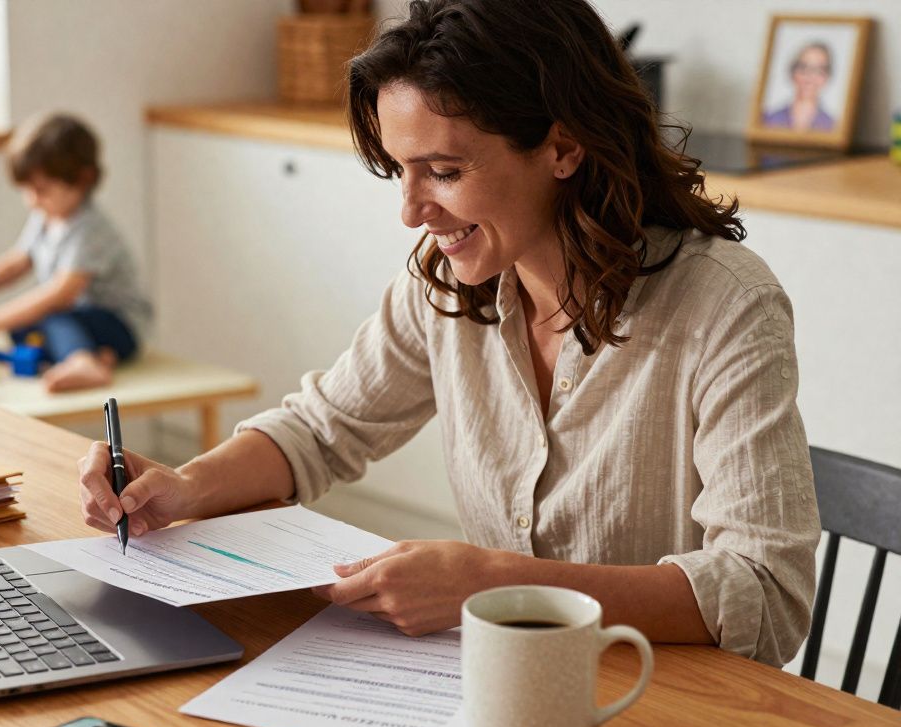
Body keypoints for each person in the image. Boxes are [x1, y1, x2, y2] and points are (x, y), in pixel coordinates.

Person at [76, 0, 820, 667]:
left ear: (563, 149)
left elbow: (766, 593)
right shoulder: (447, 285)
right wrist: (182, 488)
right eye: (400, 170)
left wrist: (494, 583)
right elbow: (321, 429)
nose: (410, 210)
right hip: (501, 688)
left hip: (666, 699)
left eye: (443, 170)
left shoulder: (724, 306)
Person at [0, 114, 152, 392]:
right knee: (19, 329)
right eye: (27, 190)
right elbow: (17, 262)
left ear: (83, 180)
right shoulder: (46, 217)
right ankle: (99, 356)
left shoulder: (90, 229)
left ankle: (83, 361)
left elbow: (61, 293)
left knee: (52, 316)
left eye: (41, 190)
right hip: (80, 320)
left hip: (119, 324)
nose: (32, 200)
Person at [762, 42, 836, 132]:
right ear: (793, 72)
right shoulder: (768, 119)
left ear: (827, 77)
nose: (810, 77)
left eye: (819, 70)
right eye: (803, 67)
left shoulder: (833, 127)